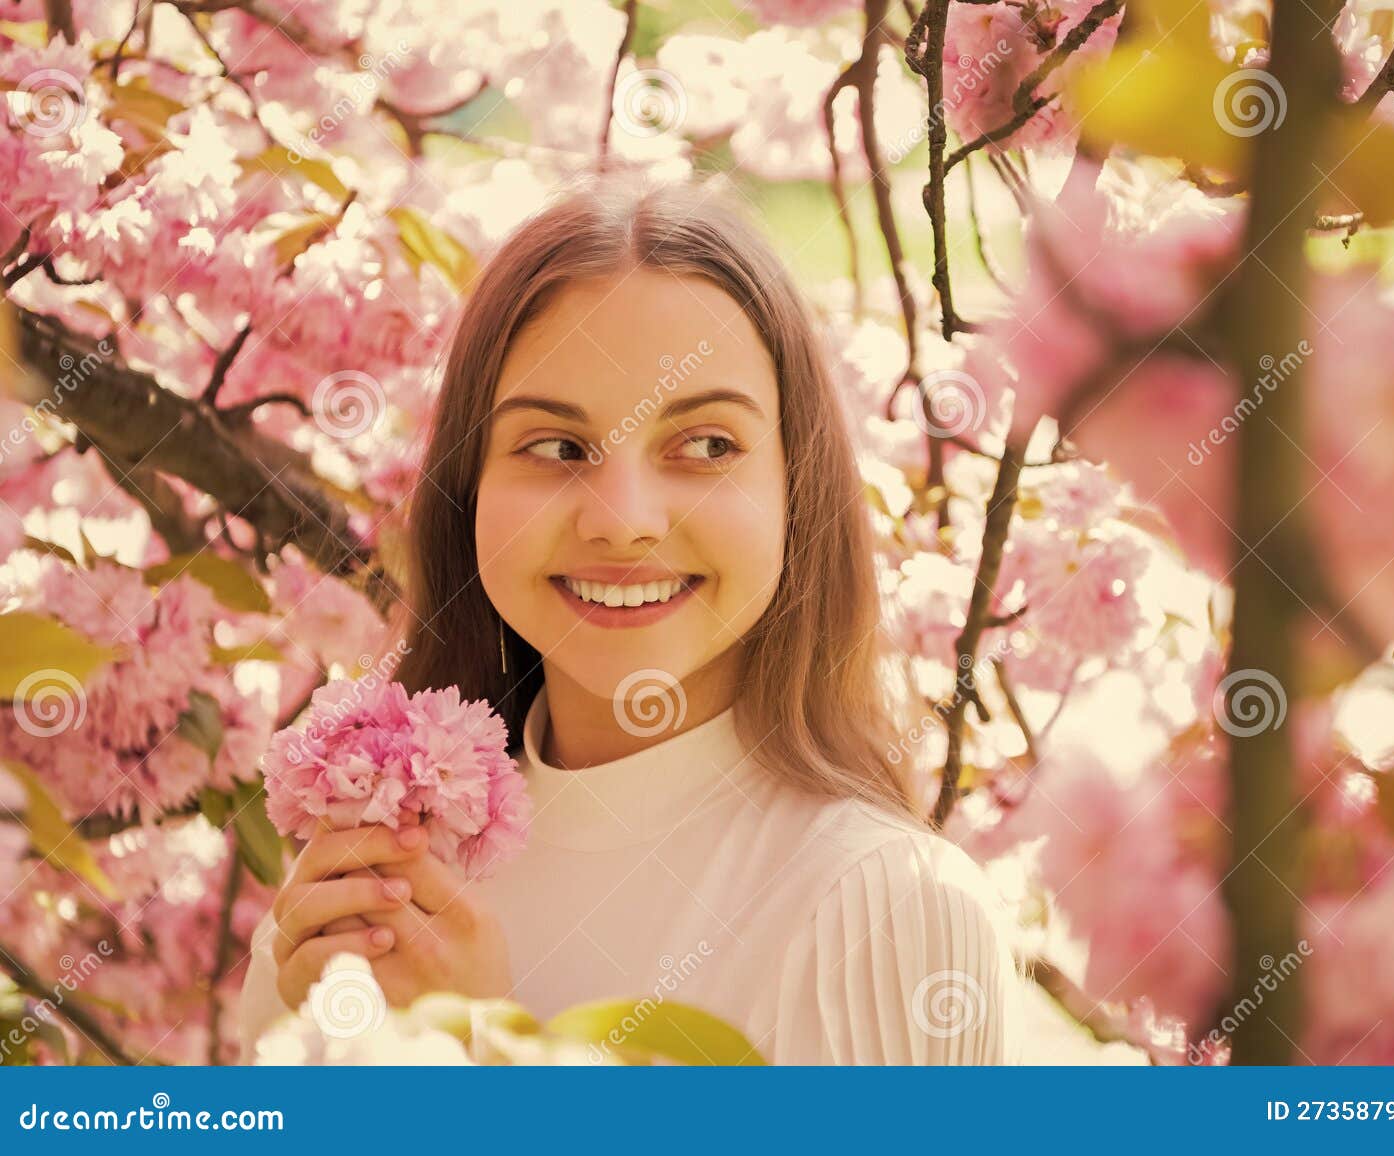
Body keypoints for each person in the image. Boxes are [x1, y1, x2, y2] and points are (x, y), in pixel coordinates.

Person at [237, 175, 1022, 1064]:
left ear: (797, 493)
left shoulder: (885, 908)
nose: (623, 518)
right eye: (558, 448)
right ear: (470, 492)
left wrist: (468, 1061)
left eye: (707, 446)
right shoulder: (368, 878)